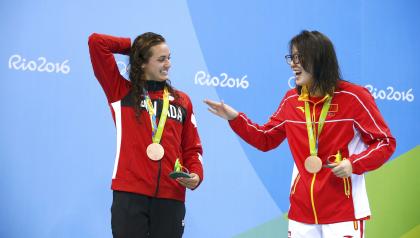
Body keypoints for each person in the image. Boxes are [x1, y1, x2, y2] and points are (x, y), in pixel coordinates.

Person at [204, 30, 395, 238]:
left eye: (299, 57)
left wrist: (353, 164)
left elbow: (384, 142)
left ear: (320, 59)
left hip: (343, 211)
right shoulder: (291, 100)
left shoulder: (354, 97)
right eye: (292, 57)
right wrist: (235, 118)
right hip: (301, 214)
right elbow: (265, 138)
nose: (293, 64)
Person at [88, 32, 204, 238]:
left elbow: (192, 148)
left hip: (171, 197)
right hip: (130, 195)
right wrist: (133, 48)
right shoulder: (120, 92)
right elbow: (96, 42)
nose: (168, 64)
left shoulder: (182, 101)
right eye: (161, 59)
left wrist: (196, 175)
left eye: (169, 58)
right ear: (142, 63)